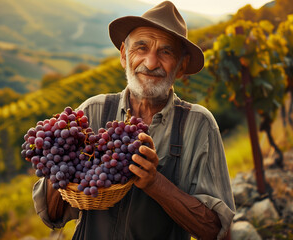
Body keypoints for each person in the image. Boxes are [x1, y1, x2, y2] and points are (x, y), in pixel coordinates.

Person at [32, 1, 235, 239]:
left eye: (166, 52)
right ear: (123, 56)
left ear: (181, 67)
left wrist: (156, 184)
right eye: (141, 48)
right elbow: (53, 216)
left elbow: (217, 231)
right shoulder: (91, 112)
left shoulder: (199, 125)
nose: (150, 63)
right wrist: (60, 158)